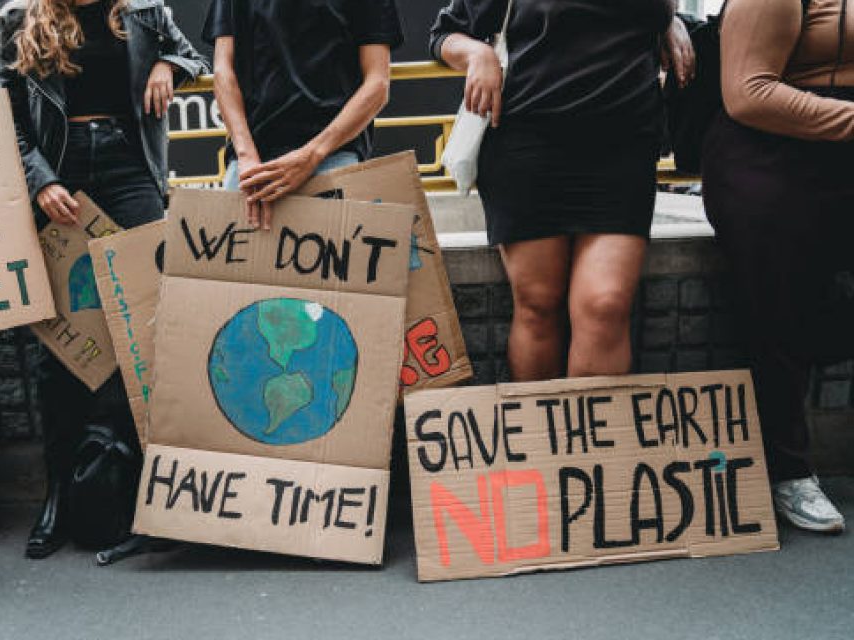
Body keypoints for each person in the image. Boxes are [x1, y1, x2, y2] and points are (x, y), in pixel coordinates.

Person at [0, 0, 208, 559]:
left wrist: (170, 67)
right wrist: (39, 180)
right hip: (59, 174)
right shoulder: (19, 19)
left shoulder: (143, 12)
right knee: (56, 343)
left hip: (129, 166)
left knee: (151, 321)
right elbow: (4, 118)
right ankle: (59, 493)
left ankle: (150, 485)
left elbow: (194, 57)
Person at [430, 0, 694, 382]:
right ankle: (540, 439)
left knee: (605, 305)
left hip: (622, 148)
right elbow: (443, 34)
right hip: (529, 145)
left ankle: (596, 439)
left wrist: (671, 23)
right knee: (538, 305)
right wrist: (477, 53)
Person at [702, 0, 853, 533]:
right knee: (780, 309)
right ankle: (789, 471)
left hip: (841, 151)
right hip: (770, 158)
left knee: (812, 313)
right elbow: (748, 93)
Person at [204, 0, 403, 229]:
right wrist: (246, 155)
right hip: (253, 163)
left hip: (332, 156)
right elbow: (223, 72)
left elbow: (378, 85)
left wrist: (312, 155)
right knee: (232, 264)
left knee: (336, 263)